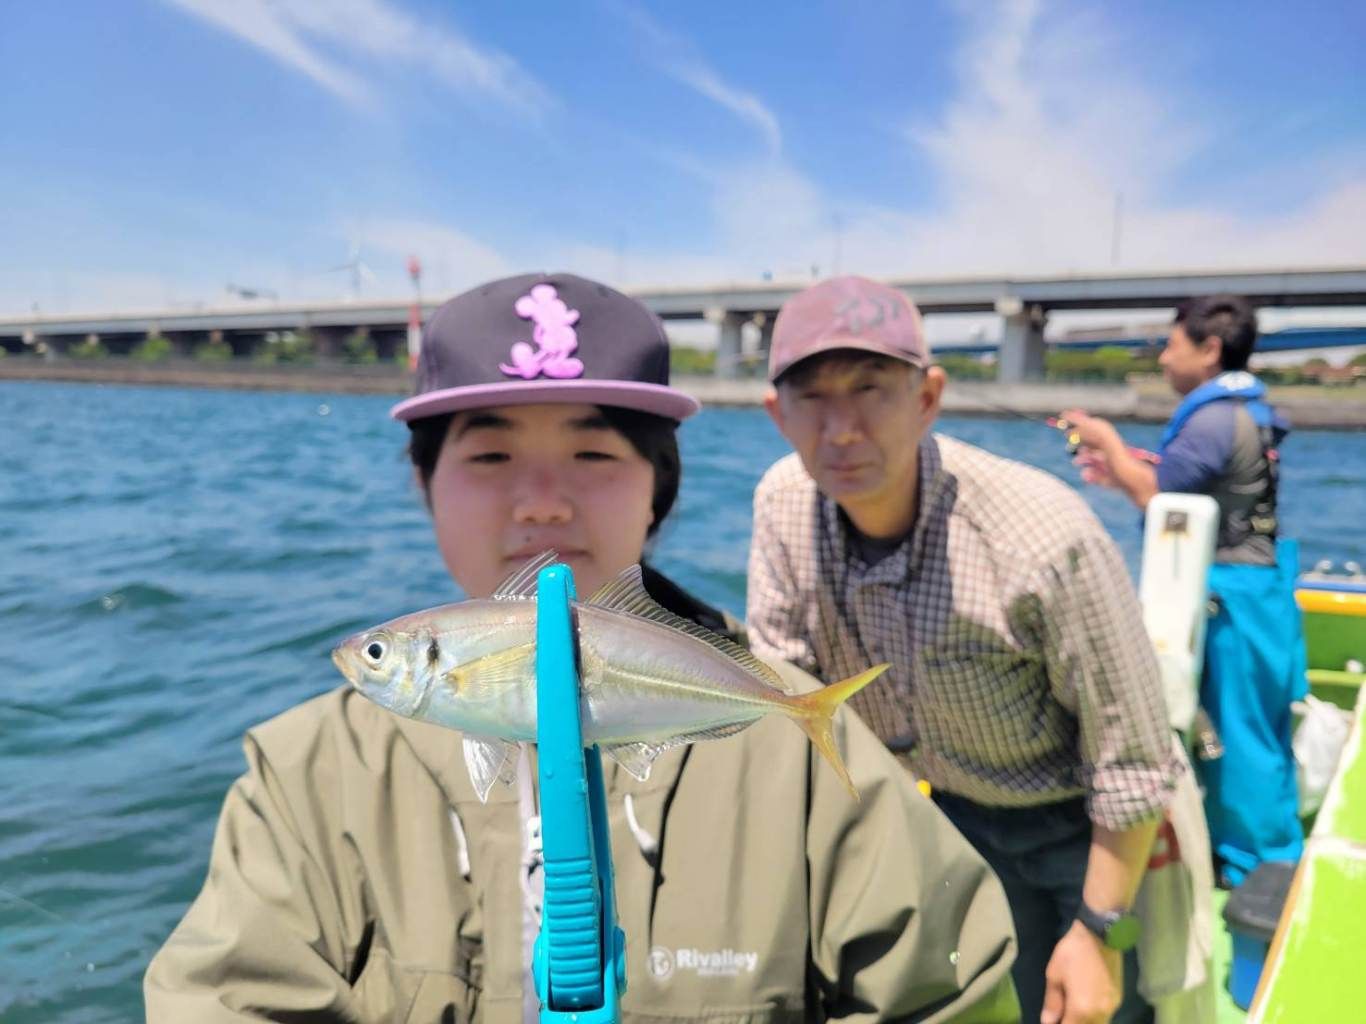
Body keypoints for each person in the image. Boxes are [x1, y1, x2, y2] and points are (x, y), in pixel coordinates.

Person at [145, 273, 1019, 1023]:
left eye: (595, 453)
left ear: (658, 490)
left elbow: (953, 995)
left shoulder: (801, 768)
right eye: (490, 455)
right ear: (424, 483)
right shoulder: (304, 782)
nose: (543, 501)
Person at [746, 276, 1185, 1024]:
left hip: (1071, 822)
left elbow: (1133, 761)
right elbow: (789, 696)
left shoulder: (1042, 537)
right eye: (812, 397)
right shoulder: (783, 505)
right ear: (777, 414)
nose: (841, 428)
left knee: (1091, 1003)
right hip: (922, 809)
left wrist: (1100, 929)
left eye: (871, 389)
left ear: (927, 398)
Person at [1061, 293, 1307, 887]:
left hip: (1231, 598)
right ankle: (1256, 855)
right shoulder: (1242, 411)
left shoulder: (1212, 419)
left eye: (1172, 346)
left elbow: (1160, 499)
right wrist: (1122, 470)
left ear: (1210, 349)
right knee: (1254, 728)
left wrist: (1107, 442)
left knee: (1239, 734)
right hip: (1259, 588)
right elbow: (1183, 492)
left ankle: (1262, 875)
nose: (1164, 359)